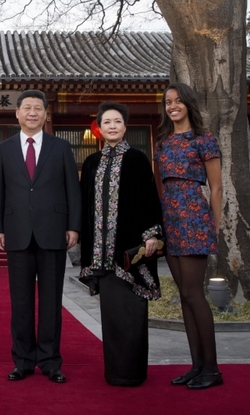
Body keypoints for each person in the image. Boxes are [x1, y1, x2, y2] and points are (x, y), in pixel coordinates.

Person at [0, 89, 82, 384]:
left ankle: (51, 361)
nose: (32, 112)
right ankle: (23, 361)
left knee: (52, 302)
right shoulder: (4, 150)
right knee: (21, 303)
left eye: (38, 108)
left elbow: (73, 191)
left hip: (53, 232)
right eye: (26, 108)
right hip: (17, 233)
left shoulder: (61, 148)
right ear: (16, 113)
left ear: (45, 114)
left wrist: (74, 226)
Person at [79, 102, 164, 387]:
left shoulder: (138, 159)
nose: (112, 126)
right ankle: (115, 372)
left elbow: (150, 199)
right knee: (112, 315)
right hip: (102, 253)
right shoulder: (91, 163)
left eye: (117, 121)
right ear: (99, 128)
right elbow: (85, 206)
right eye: (107, 122)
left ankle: (134, 372)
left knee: (133, 312)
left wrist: (151, 234)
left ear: (125, 126)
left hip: (130, 250)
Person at [155, 83, 223, 390]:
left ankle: (212, 368)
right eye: (168, 102)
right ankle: (196, 365)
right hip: (170, 218)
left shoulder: (204, 138)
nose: (173, 106)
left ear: (188, 104)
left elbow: (217, 187)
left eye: (178, 101)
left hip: (195, 217)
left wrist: (215, 226)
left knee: (195, 294)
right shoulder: (163, 143)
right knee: (184, 296)